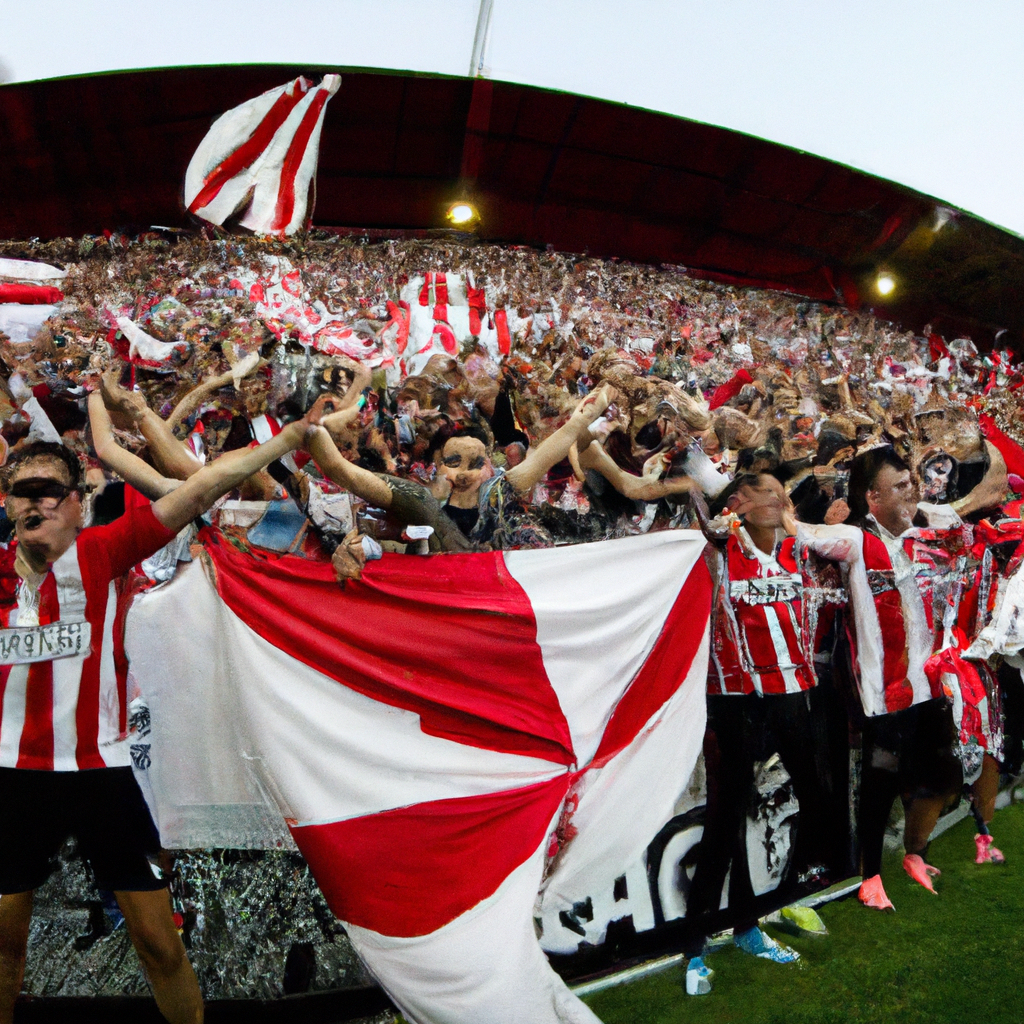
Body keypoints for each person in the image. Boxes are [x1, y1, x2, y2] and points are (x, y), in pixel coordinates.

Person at [0, 413, 312, 1024]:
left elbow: (200, 488)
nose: (36, 503)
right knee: (3, 946)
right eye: (23, 491)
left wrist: (284, 441)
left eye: (50, 491)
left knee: (157, 943)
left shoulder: (105, 549)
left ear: (77, 503)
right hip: (12, 773)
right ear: (7, 502)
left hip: (104, 775)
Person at [683, 472, 847, 996]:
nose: (778, 501)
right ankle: (695, 948)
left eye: (782, 493)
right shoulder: (715, 549)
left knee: (818, 803)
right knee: (725, 820)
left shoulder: (803, 548)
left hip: (795, 694)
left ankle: (759, 919)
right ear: (739, 502)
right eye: (765, 494)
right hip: (733, 700)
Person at [843, 446, 964, 910]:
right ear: (871, 496)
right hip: (882, 694)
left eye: (910, 482)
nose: (911, 490)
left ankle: (913, 855)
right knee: (878, 789)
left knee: (942, 776)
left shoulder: (925, 527)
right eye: (899, 486)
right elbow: (796, 533)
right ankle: (869, 877)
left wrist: (984, 440)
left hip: (929, 685)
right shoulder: (853, 540)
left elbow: (991, 491)